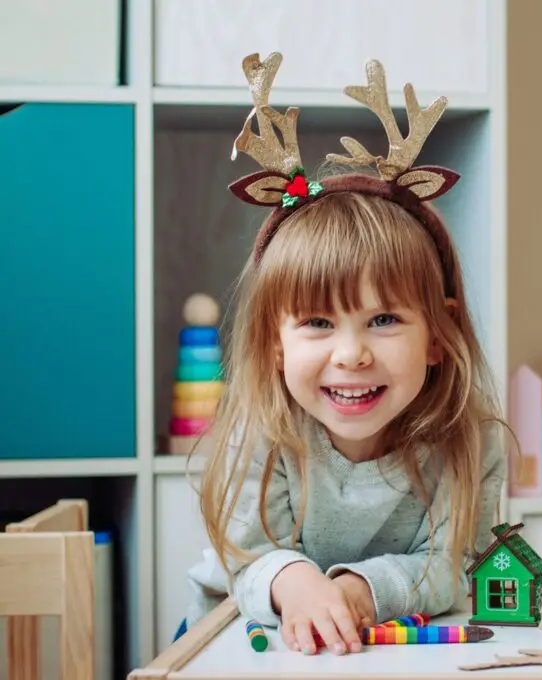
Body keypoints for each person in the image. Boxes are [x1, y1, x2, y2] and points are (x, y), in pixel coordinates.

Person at [178, 53, 509, 657]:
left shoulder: (470, 435)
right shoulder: (259, 428)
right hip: (242, 642)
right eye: (317, 323)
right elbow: (243, 557)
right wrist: (292, 580)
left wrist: (359, 589)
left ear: (438, 334)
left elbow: (458, 562)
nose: (351, 354)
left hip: (388, 647)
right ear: (275, 344)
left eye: (383, 320)